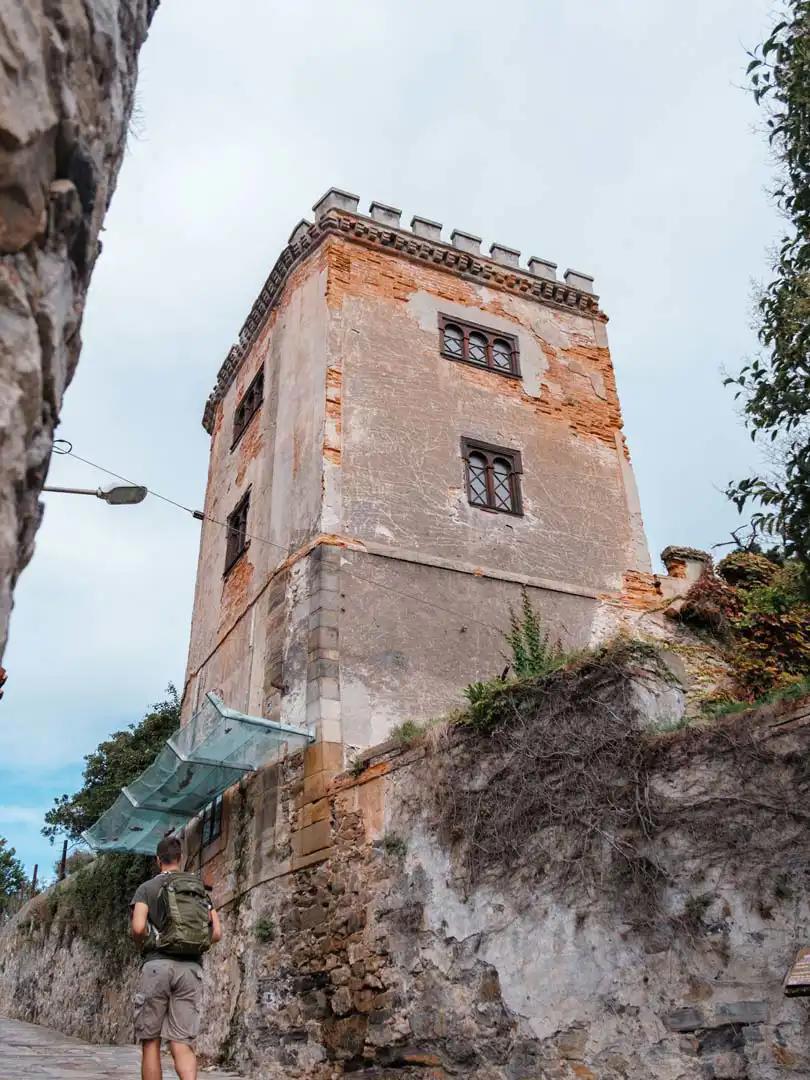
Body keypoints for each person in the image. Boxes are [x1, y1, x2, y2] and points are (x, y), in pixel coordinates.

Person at [130, 835, 222, 1080]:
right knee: (182, 1041)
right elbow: (217, 933)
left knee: (151, 1041)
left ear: (158, 860)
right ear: (180, 859)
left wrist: (148, 945)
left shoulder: (146, 888)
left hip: (156, 966)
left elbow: (138, 928)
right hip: (190, 969)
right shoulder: (197, 889)